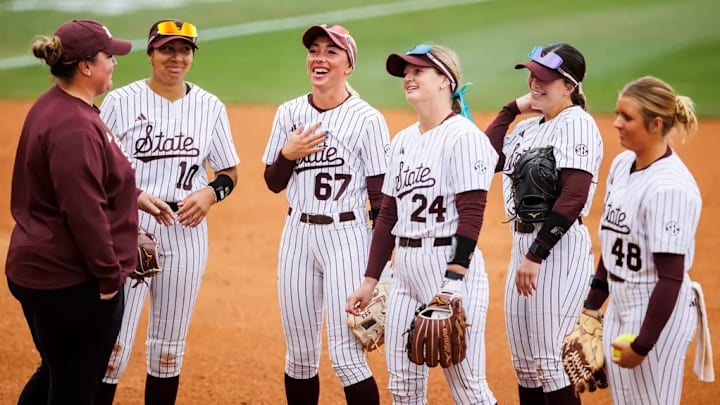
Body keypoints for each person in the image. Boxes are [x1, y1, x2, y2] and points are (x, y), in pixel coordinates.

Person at [93, 19, 240, 405]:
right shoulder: (120, 102)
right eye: (167, 49)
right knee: (112, 345)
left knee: (169, 347)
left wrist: (210, 193)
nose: (177, 58)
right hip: (128, 227)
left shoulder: (209, 106)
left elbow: (228, 172)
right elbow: (95, 170)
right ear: (150, 53)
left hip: (186, 232)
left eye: (185, 50)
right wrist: (134, 195)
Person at [347, 43, 498, 404]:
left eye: (418, 71)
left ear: (446, 80)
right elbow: (388, 214)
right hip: (406, 273)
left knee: (468, 388)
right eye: (406, 72)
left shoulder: (464, 138)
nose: (408, 78)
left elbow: (473, 211)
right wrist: (370, 279)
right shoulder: (402, 141)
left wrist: (453, 282)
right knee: (403, 387)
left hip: (449, 267)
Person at [5, 19, 137, 405]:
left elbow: (88, 184)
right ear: (85, 66)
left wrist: (134, 198)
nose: (114, 63)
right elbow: (84, 212)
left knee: (57, 369)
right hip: (70, 282)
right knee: (77, 386)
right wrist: (110, 276)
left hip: (45, 271)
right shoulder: (75, 127)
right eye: (108, 56)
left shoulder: (56, 104)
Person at [262, 24, 390, 404]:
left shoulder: (367, 119)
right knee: (300, 356)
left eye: (331, 52)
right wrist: (289, 154)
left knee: (347, 356)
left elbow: (381, 199)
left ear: (348, 65)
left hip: (346, 237)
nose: (319, 58)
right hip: (297, 236)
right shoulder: (289, 112)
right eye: (314, 51)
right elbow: (272, 182)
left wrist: (381, 263)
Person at [484, 43, 603, 404]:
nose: (535, 84)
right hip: (524, 248)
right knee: (526, 366)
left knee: (551, 364)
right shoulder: (527, 129)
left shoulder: (577, 124)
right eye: (532, 76)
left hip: (557, 250)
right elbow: (484, 159)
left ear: (569, 86)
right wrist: (509, 109)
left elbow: (574, 196)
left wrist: (536, 255)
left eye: (545, 79)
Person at [581, 76, 712, 404]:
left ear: (655, 124)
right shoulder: (622, 164)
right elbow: (614, 244)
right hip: (621, 304)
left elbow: (670, 277)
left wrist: (643, 345)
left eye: (627, 117)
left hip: (656, 311)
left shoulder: (670, 188)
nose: (616, 124)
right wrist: (592, 307)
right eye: (617, 114)